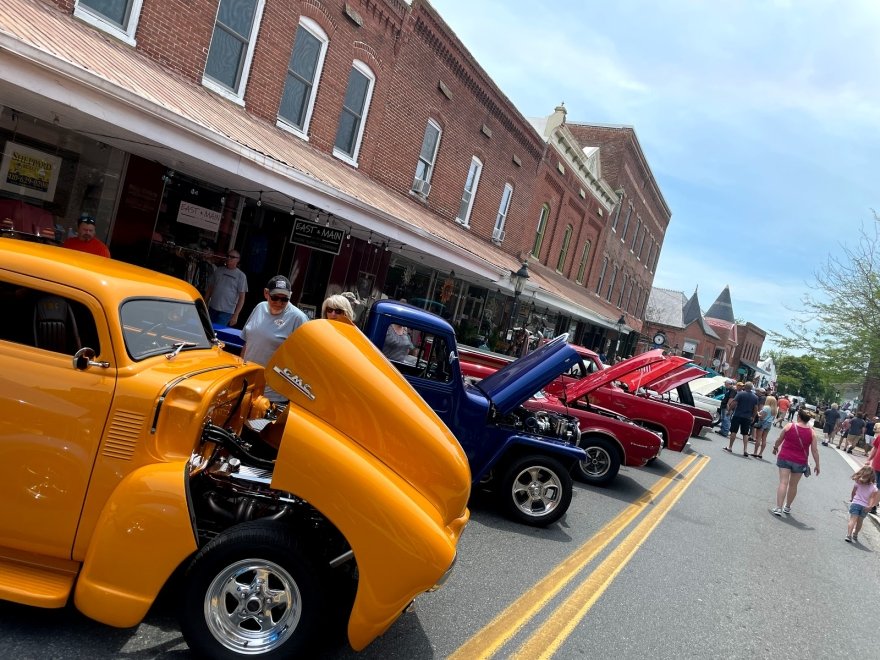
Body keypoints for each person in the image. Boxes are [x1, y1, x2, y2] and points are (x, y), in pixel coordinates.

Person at [241, 275, 308, 404]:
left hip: (273, 394)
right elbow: (247, 342)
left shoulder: (298, 318)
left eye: (284, 299)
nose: (279, 303)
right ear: (266, 293)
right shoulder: (259, 307)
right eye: (275, 297)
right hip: (247, 385)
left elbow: (304, 359)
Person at [771, 409, 820, 516]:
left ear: (799, 417)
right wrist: (817, 465)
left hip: (785, 457)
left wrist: (775, 447)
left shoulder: (789, 426)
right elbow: (814, 450)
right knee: (793, 485)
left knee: (783, 482)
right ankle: (787, 507)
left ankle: (778, 508)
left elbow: (780, 439)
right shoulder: (812, 433)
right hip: (800, 461)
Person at [205, 250, 248, 327]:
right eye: (227, 256)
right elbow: (210, 289)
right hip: (212, 308)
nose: (229, 258)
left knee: (218, 333)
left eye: (232, 257)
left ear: (238, 260)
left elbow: (242, 298)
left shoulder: (241, 276)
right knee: (207, 329)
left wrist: (236, 315)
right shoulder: (218, 270)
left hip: (226, 312)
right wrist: (204, 303)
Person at [724, 382, 759, 457]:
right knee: (745, 433)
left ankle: (730, 447)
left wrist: (729, 410)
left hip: (738, 415)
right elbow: (756, 408)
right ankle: (745, 450)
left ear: (745, 387)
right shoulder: (755, 397)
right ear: (751, 388)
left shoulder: (740, 394)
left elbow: (734, 403)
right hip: (747, 417)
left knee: (733, 431)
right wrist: (753, 416)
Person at [845, 464, 879, 542]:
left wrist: (852, 499)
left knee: (852, 520)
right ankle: (855, 534)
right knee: (860, 522)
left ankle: (849, 535)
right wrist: (870, 506)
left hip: (856, 503)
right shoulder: (874, 488)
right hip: (865, 506)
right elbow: (872, 498)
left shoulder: (858, 483)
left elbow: (853, 492)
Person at [751, 394, 777, 459]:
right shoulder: (774, 409)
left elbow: (762, 417)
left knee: (758, 438)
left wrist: (758, 413)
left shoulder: (766, 407)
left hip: (763, 422)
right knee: (764, 439)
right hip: (769, 424)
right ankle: (760, 453)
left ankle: (755, 452)